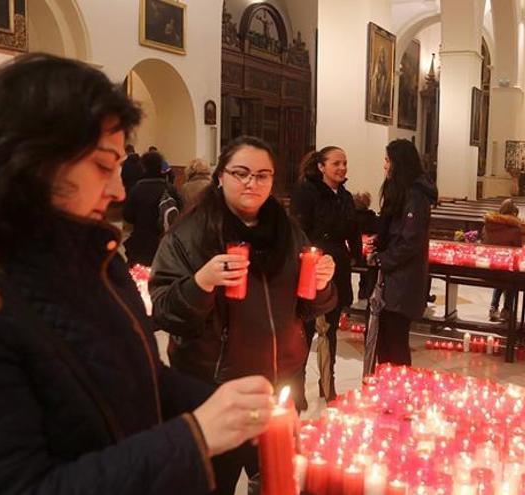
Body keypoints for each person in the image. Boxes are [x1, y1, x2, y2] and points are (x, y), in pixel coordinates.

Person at [0, 53, 275, 495]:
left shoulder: (94, 257)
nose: (117, 191)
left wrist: (225, 408)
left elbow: (136, 378)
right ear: (29, 157)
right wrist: (194, 437)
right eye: (102, 165)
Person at [149, 135, 336, 493]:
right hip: (216, 391)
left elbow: (309, 306)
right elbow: (164, 311)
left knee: (277, 484)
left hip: (279, 390)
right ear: (220, 176)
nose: (252, 182)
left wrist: (323, 283)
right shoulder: (189, 235)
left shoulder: (288, 231)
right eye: (241, 173)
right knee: (210, 485)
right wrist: (201, 283)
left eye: (263, 175)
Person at [290, 146, 361, 403]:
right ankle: (297, 386)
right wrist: (311, 260)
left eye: (344, 163)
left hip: (338, 267)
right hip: (311, 266)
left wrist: (357, 255)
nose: (342, 168)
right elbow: (298, 230)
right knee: (306, 329)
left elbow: (353, 231)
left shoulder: (345, 196)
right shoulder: (306, 192)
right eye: (336, 163)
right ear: (321, 166)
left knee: (329, 330)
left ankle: (327, 384)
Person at [371, 139, 438, 366]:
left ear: (399, 163)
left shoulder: (415, 196)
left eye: (388, 160)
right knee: (385, 340)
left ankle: (397, 390)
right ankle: (385, 388)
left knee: (396, 341)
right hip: (396, 277)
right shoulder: (404, 192)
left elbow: (410, 240)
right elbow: (398, 231)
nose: (385, 165)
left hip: (403, 279)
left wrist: (383, 259)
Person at [123, 151, 183, 266]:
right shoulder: (170, 189)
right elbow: (181, 211)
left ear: (143, 167)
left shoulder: (137, 189)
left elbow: (128, 216)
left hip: (141, 242)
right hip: (165, 244)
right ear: (160, 166)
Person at [483, 198, 523, 322]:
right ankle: (506, 310)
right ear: (513, 214)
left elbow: (484, 242)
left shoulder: (488, 226)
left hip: (487, 267)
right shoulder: (514, 229)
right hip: (505, 270)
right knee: (512, 275)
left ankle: (493, 307)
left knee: (501, 272)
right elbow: (518, 250)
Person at [354, 191, 380, 300]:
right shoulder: (372, 218)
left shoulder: (351, 218)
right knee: (369, 275)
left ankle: (361, 292)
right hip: (368, 255)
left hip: (354, 253)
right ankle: (367, 293)